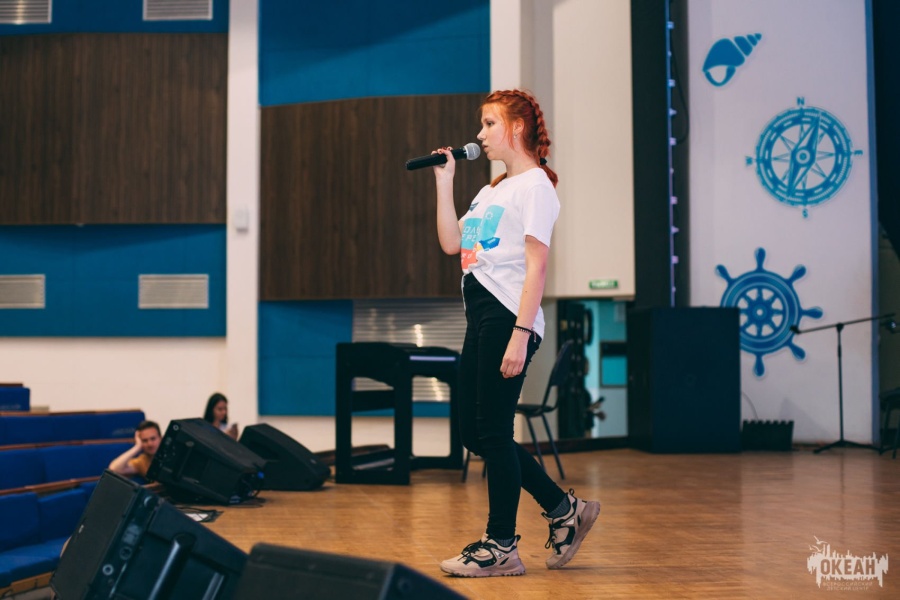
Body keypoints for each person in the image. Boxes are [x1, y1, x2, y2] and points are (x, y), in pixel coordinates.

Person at [432, 89, 601, 577]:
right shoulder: (490, 191)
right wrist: (445, 182)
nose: (480, 133)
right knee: (475, 433)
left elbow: (537, 265)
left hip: (508, 315)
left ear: (517, 128)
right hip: (480, 313)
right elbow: (451, 243)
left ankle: (501, 544)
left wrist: (521, 333)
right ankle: (565, 510)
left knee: (493, 431)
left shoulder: (536, 187)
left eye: (489, 124)